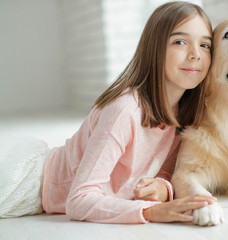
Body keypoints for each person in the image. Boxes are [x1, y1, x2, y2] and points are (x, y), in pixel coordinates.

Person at [0, 1, 216, 223]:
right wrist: (150, 211)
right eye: (179, 42)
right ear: (155, 48)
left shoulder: (182, 115)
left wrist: (162, 188)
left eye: (205, 45)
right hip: (23, 182)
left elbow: (164, 171)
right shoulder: (125, 110)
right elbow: (78, 200)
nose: (195, 54)